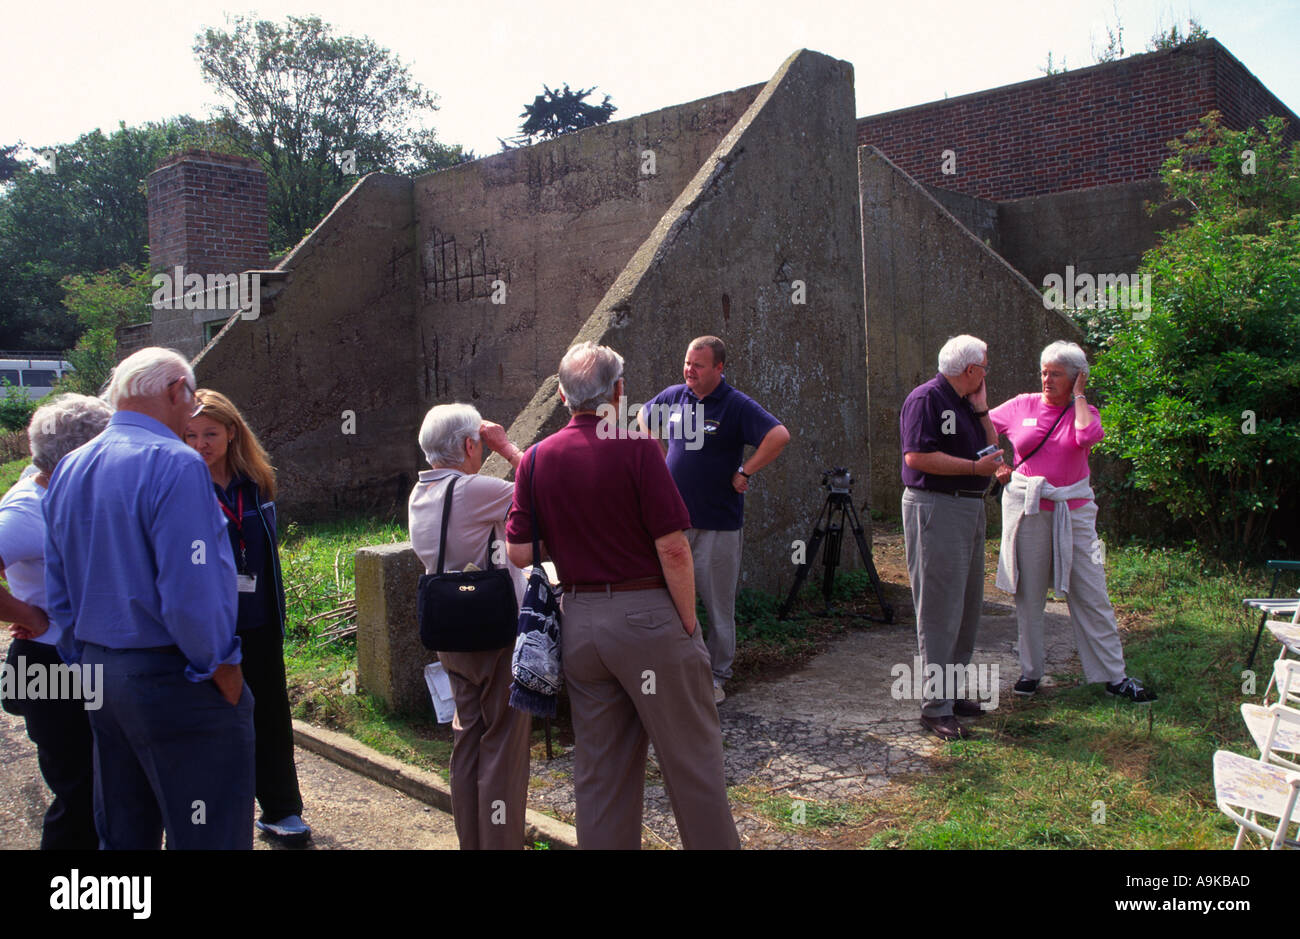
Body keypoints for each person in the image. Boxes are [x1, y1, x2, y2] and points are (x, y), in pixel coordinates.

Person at [507, 342, 738, 850]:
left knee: (600, 772)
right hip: (648, 617)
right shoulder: (636, 447)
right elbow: (674, 548)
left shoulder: (538, 458)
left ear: (564, 394)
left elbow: (520, 551)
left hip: (581, 624)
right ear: (617, 392)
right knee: (692, 761)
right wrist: (689, 627)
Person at [43, 347, 254, 849]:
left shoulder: (71, 465)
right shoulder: (175, 463)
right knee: (208, 831)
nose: (192, 408)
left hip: (100, 672)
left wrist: (83, 657)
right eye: (191, 396)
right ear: (175, 390)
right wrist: (220, 663)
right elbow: (191, 588)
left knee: (123, 830)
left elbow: (59, 583)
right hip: (172, 675)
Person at [990, 341, 1155, 702]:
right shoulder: (1022, 404)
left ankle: (1114, 676)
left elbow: (1086, 436)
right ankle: (1031, 672)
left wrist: (1079, 395)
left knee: (1093, 592)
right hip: (1029, 511)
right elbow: (981, 424)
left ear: (1077, 378)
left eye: (1057, 374)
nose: (1047, 379)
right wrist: (995, 462)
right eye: (1044, 372)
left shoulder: (1086, 411)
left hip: (1075, 512)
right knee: (1029, 595)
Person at [184, 388, 311, 843]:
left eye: (211, 433)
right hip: (208, 630)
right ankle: (217, 818)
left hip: (257, 622)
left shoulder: (257, 484)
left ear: (232, 432)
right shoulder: (181, 487)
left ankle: (282, 810)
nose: (201, 444)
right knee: (214, 724)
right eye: (191, 434)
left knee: (271, 717)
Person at [409, 403, 532, 850]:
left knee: (468, 738)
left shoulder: (420, 493)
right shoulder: (475, 490)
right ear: (467, 445)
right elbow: (541, 485)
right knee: (504, 743)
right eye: (477, 443)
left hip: (451, 633)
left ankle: (473, 842)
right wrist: (507, 446)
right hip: (492, 631)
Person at [639, 336, 789, 703]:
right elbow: (643, 414)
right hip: (674, 526)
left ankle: (717, 676)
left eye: (699, 365)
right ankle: (678, 670)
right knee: (669, 602)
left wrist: (746, 470)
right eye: (687, 363)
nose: (690, 370)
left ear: (719, 369)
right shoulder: (675, 396)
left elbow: (778, 435)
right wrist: (654, 451)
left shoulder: (735, 405)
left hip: (717, 526)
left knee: (717, 604)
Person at [0, 394, 112, 849]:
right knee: (80, 795)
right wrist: (28, 615)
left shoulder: (56, 489)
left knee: (103, 790)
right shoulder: (28, 511)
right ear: (77, 456)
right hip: (48, 664)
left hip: (75, 659)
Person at [899, 334, 1005, 741]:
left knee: (967, 605)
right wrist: (973, 470)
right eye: (985, 366)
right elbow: (917, 456)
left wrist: (981, 411)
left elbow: (992, 452)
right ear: (971, 369)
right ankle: (935, 707)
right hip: (936, 507)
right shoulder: (926, 399)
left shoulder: (965, 402)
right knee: (939, 610)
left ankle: (952, 693)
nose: (987, 372)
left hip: (967, 506)